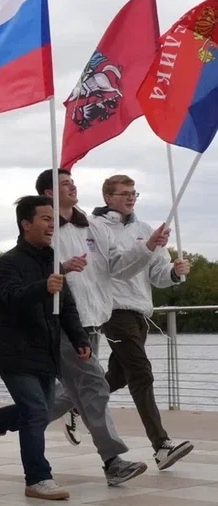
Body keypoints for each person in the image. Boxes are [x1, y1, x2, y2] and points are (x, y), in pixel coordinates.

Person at [24, 169, 153, 485]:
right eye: (64, 184)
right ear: (49, 193)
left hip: (94, 322)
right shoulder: (46, 230)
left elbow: (119, 269)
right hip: (63, 322)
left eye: (73, 182)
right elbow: (33, 273)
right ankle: (113, 461)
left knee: (72, 392)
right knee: (95, 386)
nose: (73, 187)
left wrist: (147, 247)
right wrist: (63, 269)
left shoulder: (94, 227)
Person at [0, 197, 91, 501]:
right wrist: (43, 287)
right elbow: (10, 297)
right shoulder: (8, 263)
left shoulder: (53, 262)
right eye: (45, 219)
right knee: (36, 410)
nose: (52, 225)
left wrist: (80, 338)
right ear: (26, 224)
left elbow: (66, 306)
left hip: (46, 351)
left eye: (53, 219)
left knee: (39, 412)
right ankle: (38, 478)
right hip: (16, 352)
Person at [93, 174, 194, 469]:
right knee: (141, 373)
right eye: (124, 193)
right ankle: (161, 445)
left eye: (134, 193)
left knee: (119, 376)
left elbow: (157, 274)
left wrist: (173, 272)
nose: (130, 197)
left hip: (140, 313)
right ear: (108, 197)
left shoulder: (145, 229)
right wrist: (147, 246)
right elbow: (116, 268)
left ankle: (77, 401)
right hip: (114, 311)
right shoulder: (97, 228)